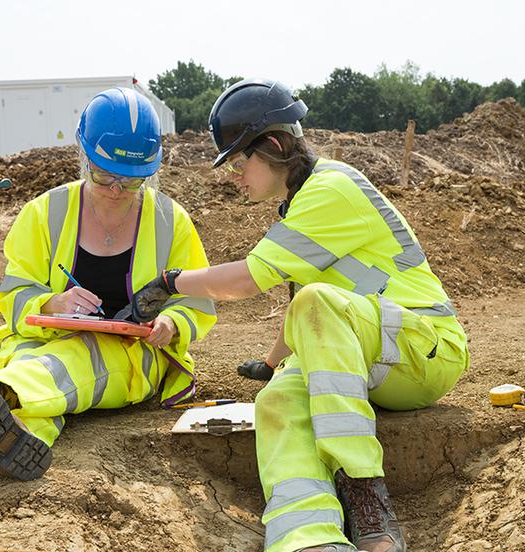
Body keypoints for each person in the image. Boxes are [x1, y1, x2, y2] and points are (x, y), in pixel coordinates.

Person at [129, 79, 470, 552]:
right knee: (278, 401)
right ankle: (308, 538)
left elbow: (251, 281)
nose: (233, 175)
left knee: (317, 304)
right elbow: (311, 310)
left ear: (273, 144)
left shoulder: (333, 189)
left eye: (237, 160)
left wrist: (170, 282)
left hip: (425, 349)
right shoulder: (302, 203)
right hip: (368, 352)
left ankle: (365, 496)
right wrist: (271, 366)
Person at [0, 88, 216, 481]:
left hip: (135, 354)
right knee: (20, 358)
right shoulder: (45, 213)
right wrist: (50, 304)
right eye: (104, 175)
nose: (116, 189)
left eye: (131, 180)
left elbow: (197, 300)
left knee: (78, 358)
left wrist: (173, 324)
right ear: (83, 158)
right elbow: (15, 292)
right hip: (44, 338)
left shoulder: (172, 221)